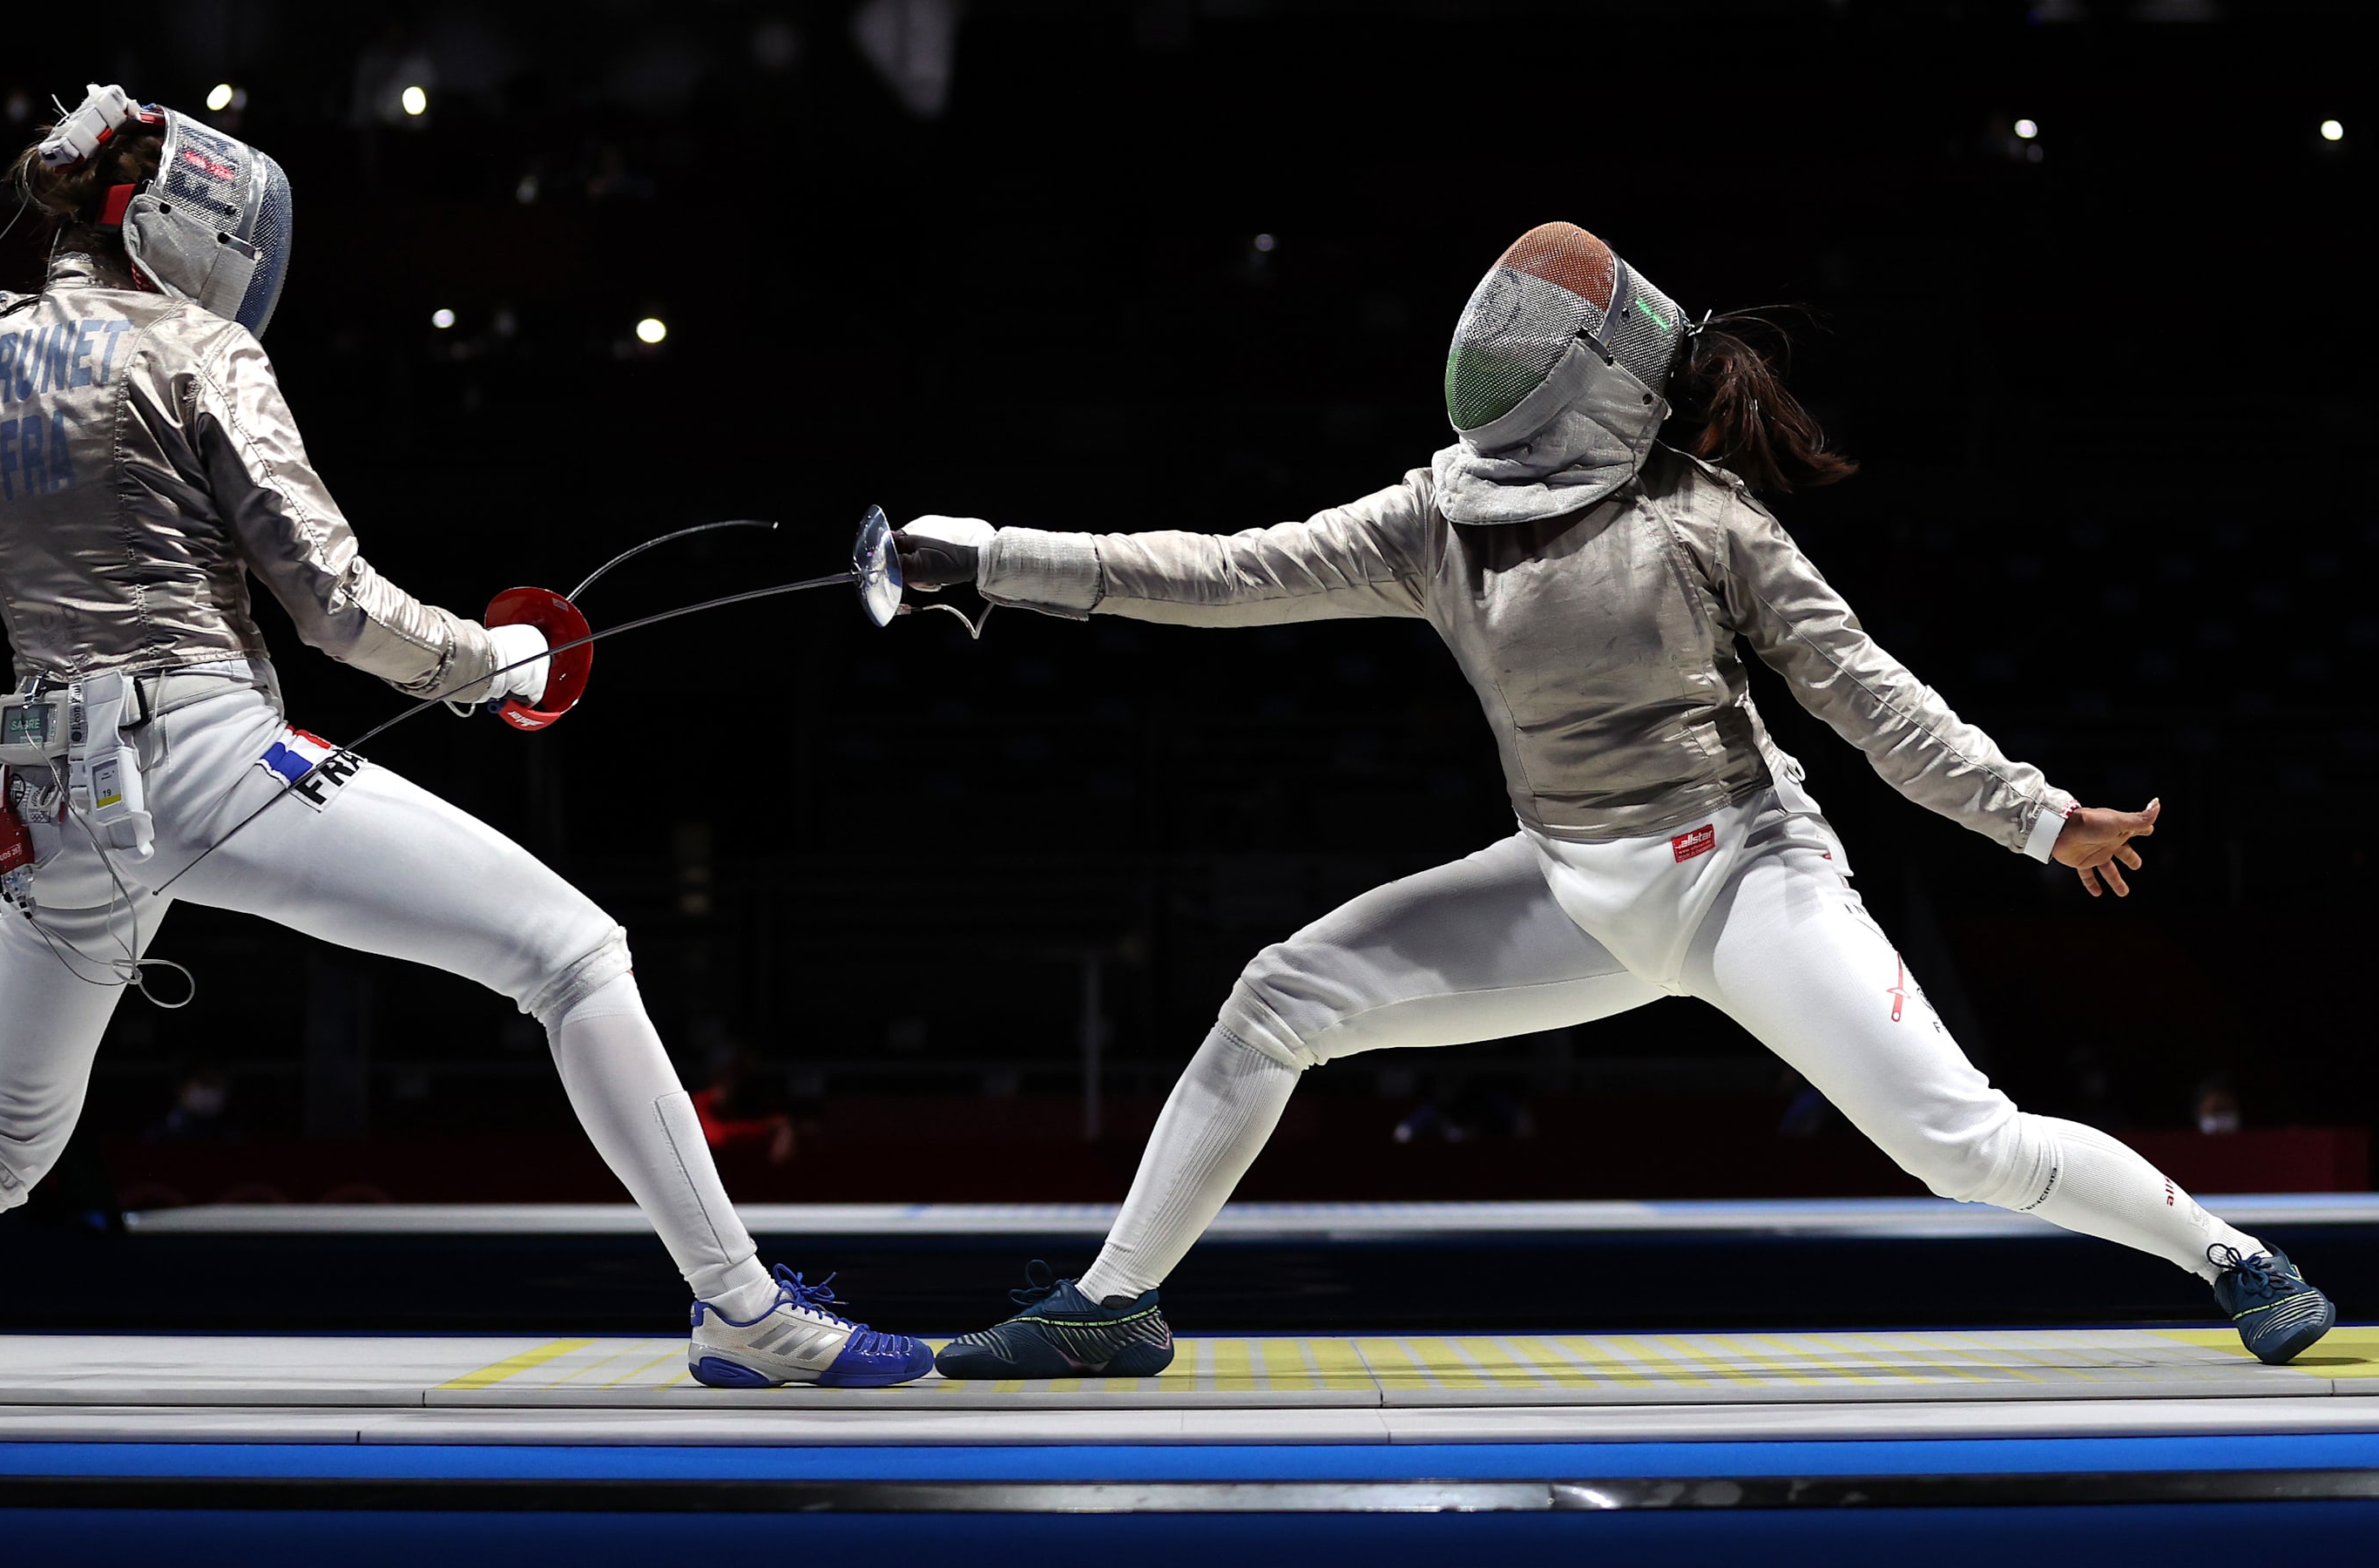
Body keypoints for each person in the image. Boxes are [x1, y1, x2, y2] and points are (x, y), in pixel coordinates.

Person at [0, 86, 927, 1392]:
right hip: (199, 754)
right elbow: (335, 605)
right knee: (577, 954)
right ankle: (741, 1309)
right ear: (189, 223)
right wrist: (493, 664)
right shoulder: (202, 352)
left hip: (49, 797)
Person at [900, 221, 2336, 1374]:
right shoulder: (1433, 522)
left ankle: (2232, 1257)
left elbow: (1866, 698)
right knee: (1281, 995)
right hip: (1571, 888)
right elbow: (1213, 574)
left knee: (1960, 1147)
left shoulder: (1706, 522)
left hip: (1744, 878)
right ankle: (1113, 1302)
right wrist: (994, 555)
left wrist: (2032, 814)